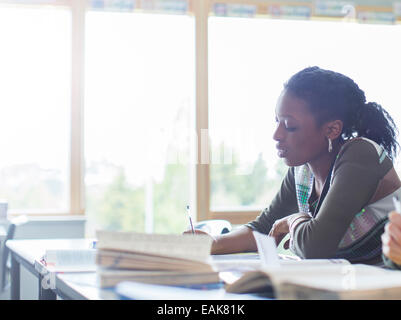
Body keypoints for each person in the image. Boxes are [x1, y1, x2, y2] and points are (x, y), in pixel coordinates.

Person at [189, 66, 401, 266]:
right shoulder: (302, 171)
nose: (276, 135)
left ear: (332, 129)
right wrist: (211, 243)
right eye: (277, 122)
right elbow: (264, 229)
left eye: (290, 126)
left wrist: (295, 219)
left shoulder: (360, 155)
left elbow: (315, 247)